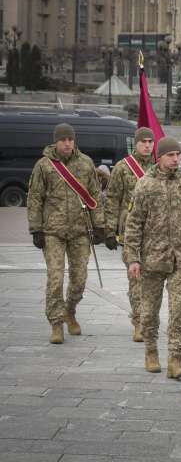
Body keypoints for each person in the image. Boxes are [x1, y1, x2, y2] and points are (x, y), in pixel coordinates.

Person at [27, 123, 104, 344]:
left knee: (80, 279)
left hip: (80, 230)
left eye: (70, 139)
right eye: (63, 140)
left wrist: (99, 225)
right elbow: (34, 198)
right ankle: (56, 323)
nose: (67, 143)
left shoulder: (86, 163)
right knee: (55, 278)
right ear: (56, 141)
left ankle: (70, 310)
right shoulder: (44, 166)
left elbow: (95, 195)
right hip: (53, 231)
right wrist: (36, 229)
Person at [124, 137, 181, 378]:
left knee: (180, 310)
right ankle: (151, 351)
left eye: (178, 155)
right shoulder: (145, 185)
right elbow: (133, 224)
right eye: (170, 155)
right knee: (149, 311)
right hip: (152, 259)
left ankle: (175, 358)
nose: (175, 160)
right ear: (159, 157)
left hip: (180, 259)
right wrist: (132, 258)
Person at [104, 127, 156, 342]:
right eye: (143, 141)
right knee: (136, 279)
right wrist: (109, 229)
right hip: (131, 233)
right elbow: (113, 199)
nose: (147, 145)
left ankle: (148, 319)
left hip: (156, 234)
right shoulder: (123, 168)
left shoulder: (158, 168)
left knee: (151, 282)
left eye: (150, 141)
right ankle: (138, 322)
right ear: (136, 143)